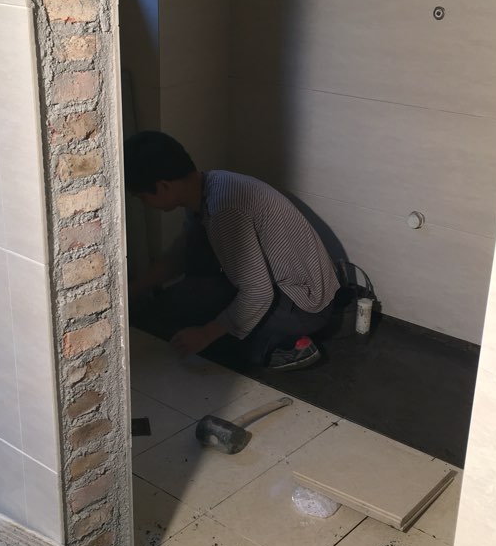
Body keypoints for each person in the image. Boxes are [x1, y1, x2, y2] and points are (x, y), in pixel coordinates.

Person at [124, 131, 340, 371]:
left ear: (163, 186)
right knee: (190, 293)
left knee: (225, 346)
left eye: (142, 197)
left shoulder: (223, 210)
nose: (144, 204)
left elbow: (258, 293)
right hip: (277, 284)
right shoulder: (203, 188)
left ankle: (289, 346)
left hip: (303, 303)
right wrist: (132, 289)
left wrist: (205, 334)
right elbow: (178, 255)